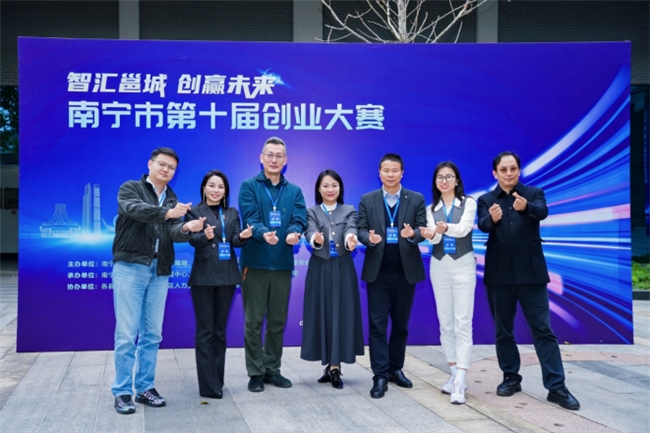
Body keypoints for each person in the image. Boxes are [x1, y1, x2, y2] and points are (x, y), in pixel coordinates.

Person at [477, 151, 580, 410]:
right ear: (495, 173)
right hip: (499, 276)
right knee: (503, 331)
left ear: (519, 170)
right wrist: (493, 219)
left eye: (513, 168)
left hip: (531, 275)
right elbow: (483, 225)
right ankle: (511, 378)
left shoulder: (533, 194)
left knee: (543, 330)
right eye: (503, 169)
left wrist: (526, 208)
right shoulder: (486, 199)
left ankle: (557, 387)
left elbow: (542, 212)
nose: (509, 173)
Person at [111, 147, 204, 415]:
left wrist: (186, 227)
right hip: (130, 266)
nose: (166, 170)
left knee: (152, 334)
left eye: (171, 167)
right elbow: (135, 210)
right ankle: (122, 391)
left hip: (159, 269)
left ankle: (145, 387)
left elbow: (173, 232)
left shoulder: (172, 198)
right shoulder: (130, 188)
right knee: (127, 334)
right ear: (150, 164)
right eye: (162, 164)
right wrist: (167, 213)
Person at [238, 136, 307, 392]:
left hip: (282, 265)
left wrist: (294, 233)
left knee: (277, 321)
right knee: (253, 321)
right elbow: (251, 217)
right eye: (270, 154)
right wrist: (264, 233)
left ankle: (272, 369)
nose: (274, 160)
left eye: (279, 156)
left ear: (285, 160)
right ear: (261, 157)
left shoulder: (294, 191)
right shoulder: (249, 186)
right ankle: (255, 372)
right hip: (255, 263)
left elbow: (299, 219)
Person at [357, 153, 427, 399]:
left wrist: (412, 234)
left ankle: (395, 368)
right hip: (378, 273)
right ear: (379, 173)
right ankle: (379, 375)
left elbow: (421, 228)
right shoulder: (368, 200)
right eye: (386, 170)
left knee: (400, 324)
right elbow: (360, 229)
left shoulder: (416, 199)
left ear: (402, 173)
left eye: (394, 170)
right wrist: (369, 239)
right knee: (377, 325)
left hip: (405, 272)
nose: (390, 174)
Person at [185, 170, 253, 399]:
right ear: (204, 188)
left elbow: (234, 241)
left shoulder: (232, 213)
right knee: (205, 331)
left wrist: (243, 236)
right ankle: (208, 385)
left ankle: (217, 381)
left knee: (219, 331)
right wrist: (203, 235)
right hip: (203, 276)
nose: (216, 190)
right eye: (212, 185)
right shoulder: (194, 211)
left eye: (220, 187)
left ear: (226, 191)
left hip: (227, 276)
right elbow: (191, 240)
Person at [300, 169, 364, 389]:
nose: (330, 189)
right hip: (319, 268)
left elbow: (351, 228)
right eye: (325, 185)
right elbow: (309, 231)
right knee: (323, 313)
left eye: (334, 185)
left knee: (341, 313)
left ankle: (335, 367)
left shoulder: (349, 210)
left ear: (340, 188)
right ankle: (328, 364)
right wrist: (315, 239)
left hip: (343, 268)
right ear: (319, 189)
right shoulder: (311, 211)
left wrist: (350, 239)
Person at [420, 162, 477, 405]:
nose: (444, 181)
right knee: (445, 323)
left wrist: (444, 228)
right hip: (439, 265)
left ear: (457, 180)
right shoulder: (430, 208)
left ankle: (461, 378)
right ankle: (454, 375)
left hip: (463, 264)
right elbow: (434, 240)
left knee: (462, 322)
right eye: (440, 177)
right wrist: (430, 234)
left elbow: (464, 229)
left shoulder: (469, 203)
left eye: (449, 177)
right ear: (435, 182)